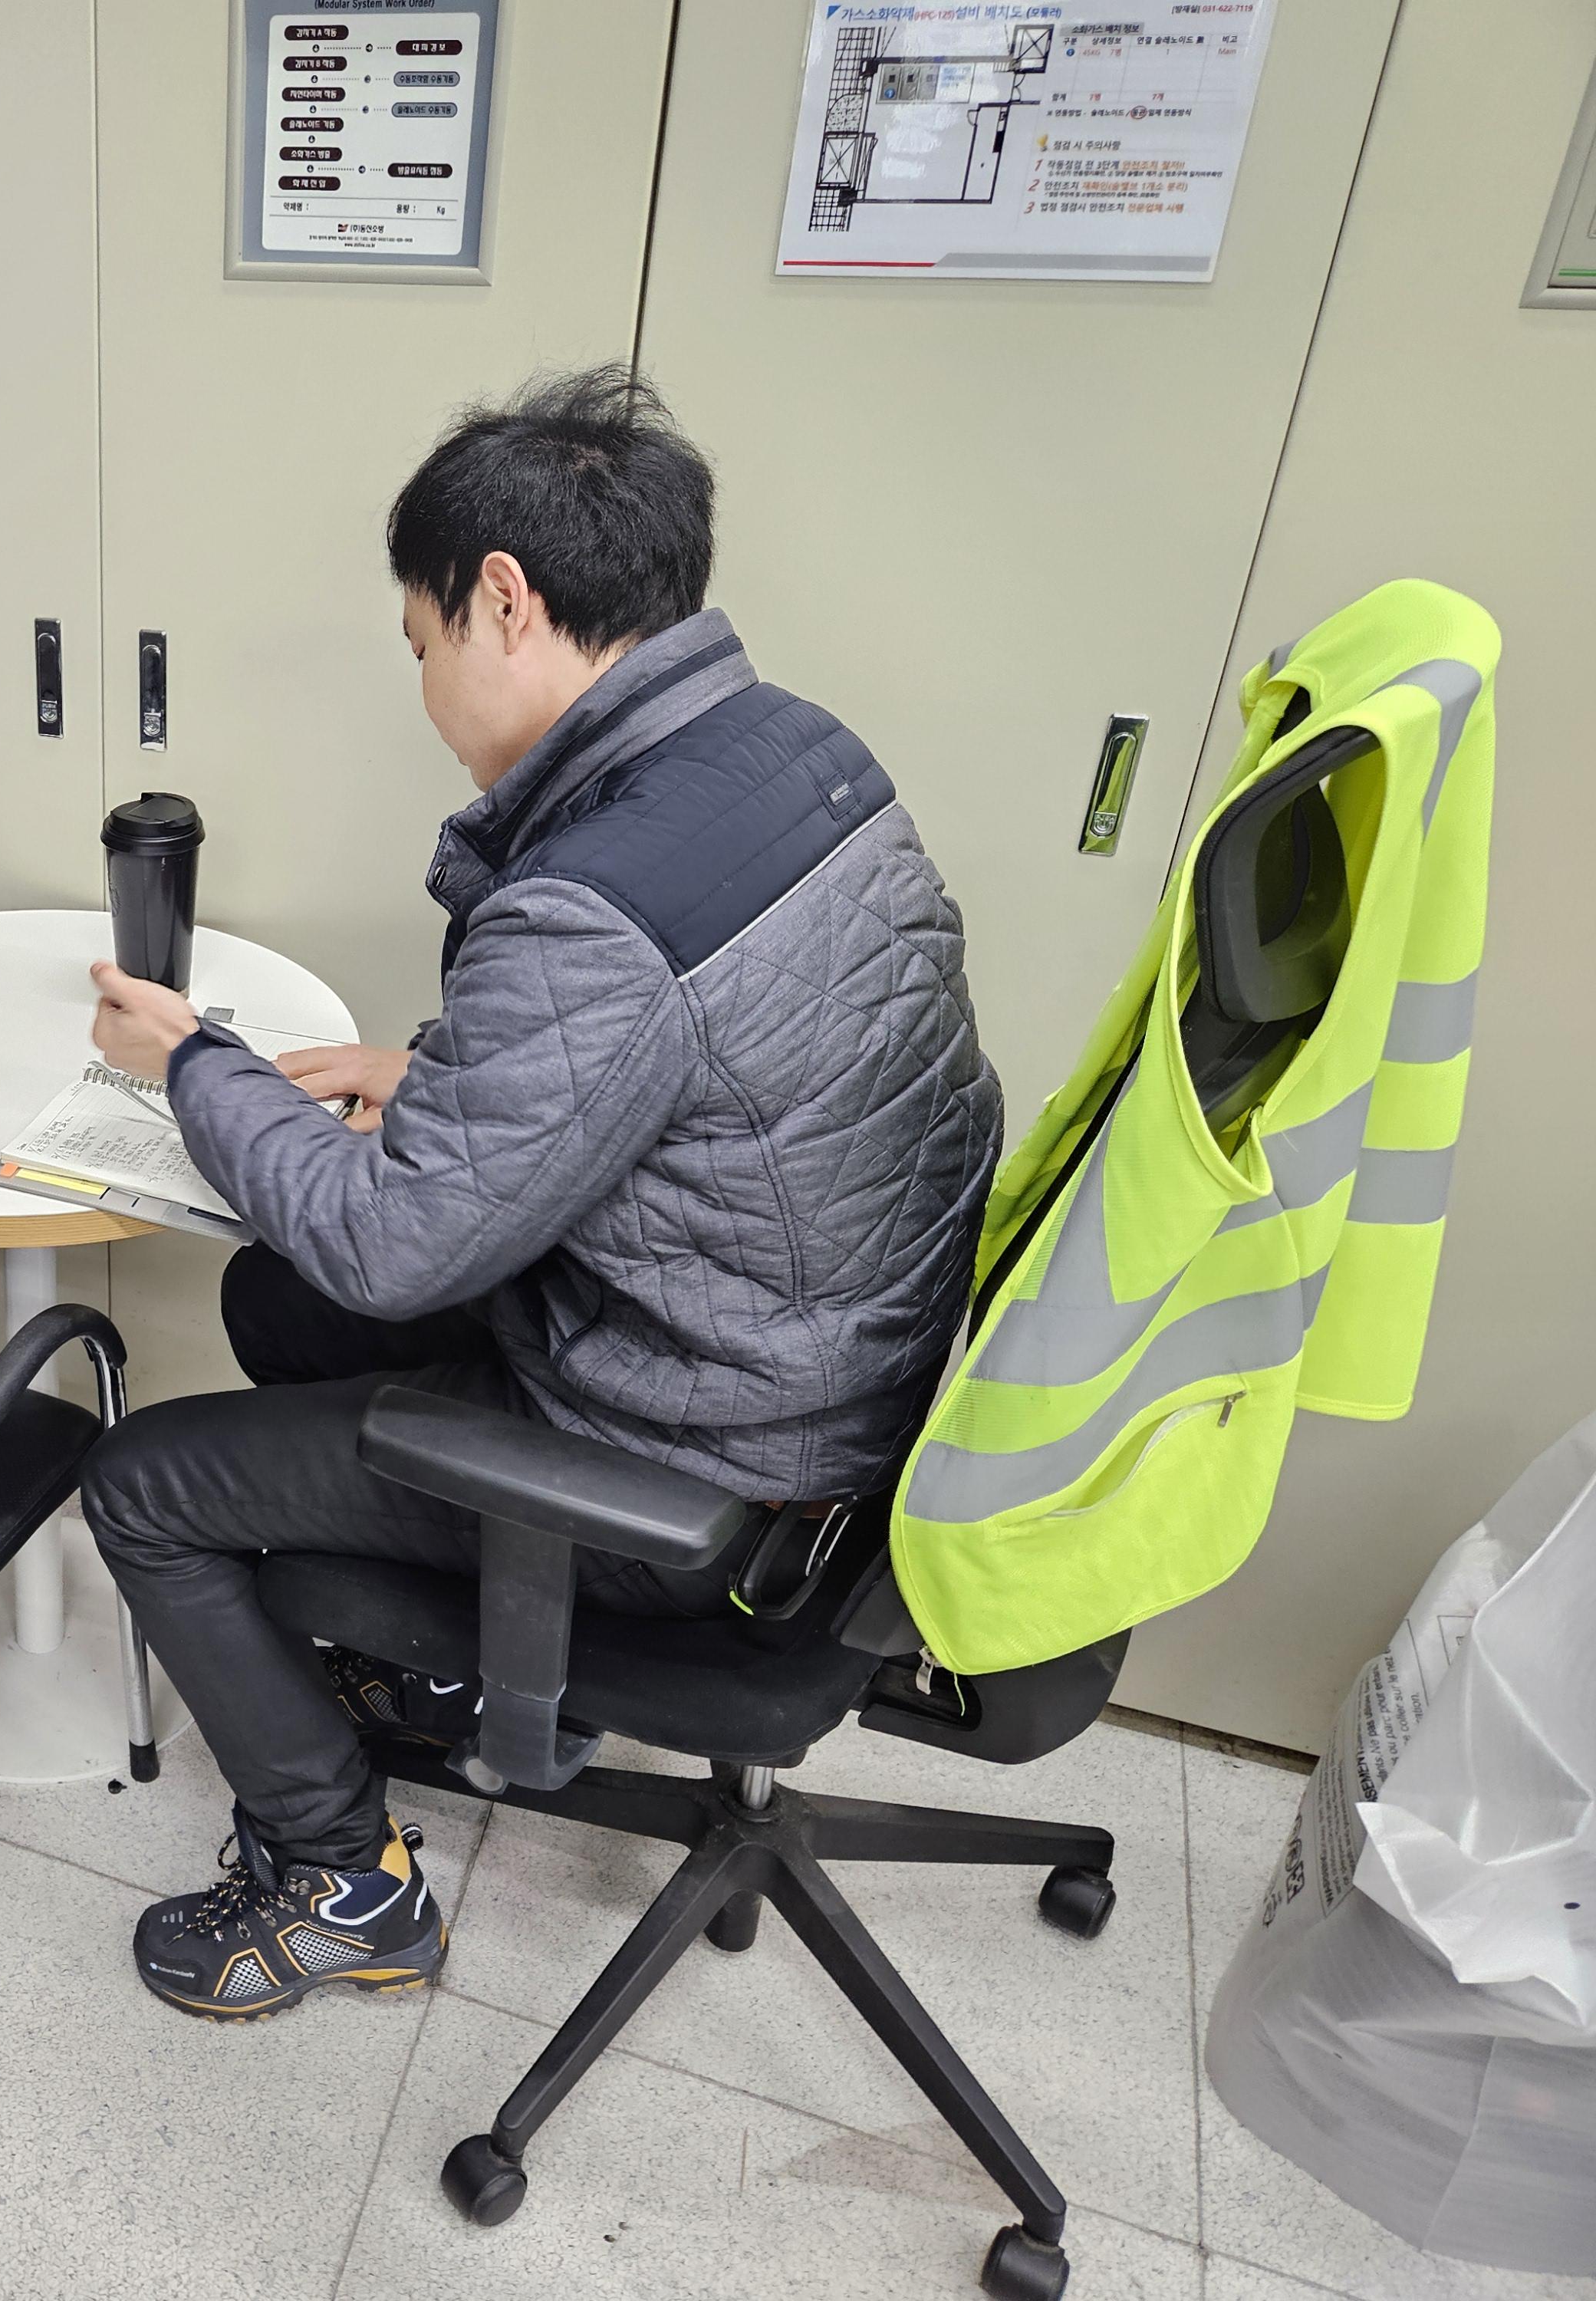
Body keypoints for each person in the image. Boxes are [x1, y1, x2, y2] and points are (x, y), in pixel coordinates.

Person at [78, 366, 1003, 2018]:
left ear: (502, 600)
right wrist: (440, 1074)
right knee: (270, 1295)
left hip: (709, 1469)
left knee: (145, 1482)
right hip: (834, 1375)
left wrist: (191, 1064)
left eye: (419, 639)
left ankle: (336, 1880)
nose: (422, 680)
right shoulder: (796, 756)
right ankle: (466, 1673)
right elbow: (722, 1057)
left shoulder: (592, 906)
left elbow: (391, 1245)